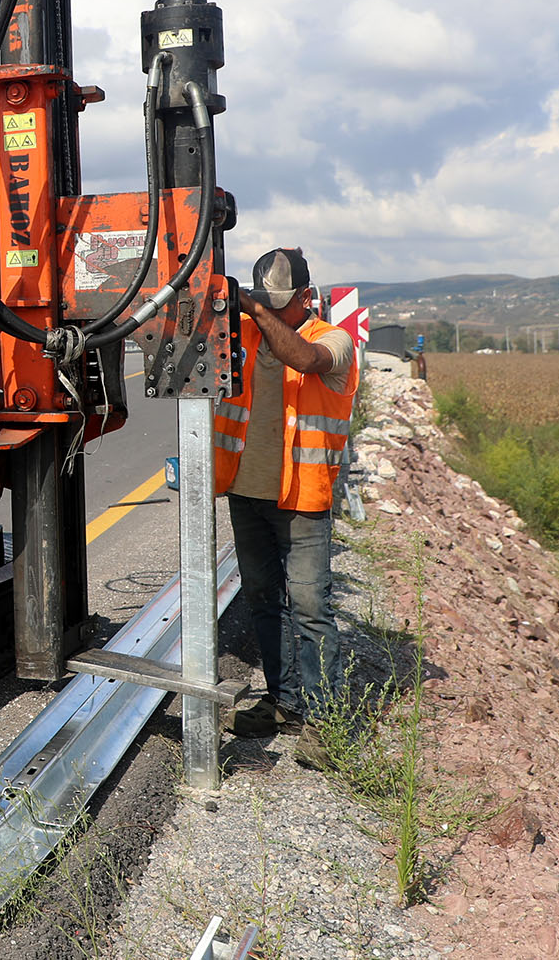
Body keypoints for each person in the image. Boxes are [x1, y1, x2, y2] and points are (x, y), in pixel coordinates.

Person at [214, 248, 359, 758]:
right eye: (263, 304)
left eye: (279, 305)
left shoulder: (334, 341)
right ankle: (285, 702)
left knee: (310, 606)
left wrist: (256, 310)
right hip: (246, 492)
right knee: (262, 600)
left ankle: (325, 720)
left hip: (302, 500)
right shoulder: (247, 335)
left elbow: (305, 359)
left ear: (306, 297)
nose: (269, 312)